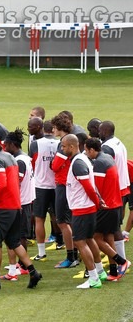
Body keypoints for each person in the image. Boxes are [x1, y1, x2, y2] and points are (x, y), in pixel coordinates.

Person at [0, 136, 42, 290]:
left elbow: (1, 183)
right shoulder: (9, 157)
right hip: (15, 207)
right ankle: (33, 272)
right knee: (13, 242)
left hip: (2, 208)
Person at [84, 138, 130, 281]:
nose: (85, 153)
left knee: (96, 238)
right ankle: (114, 272)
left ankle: (122, 262)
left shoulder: (98, 164)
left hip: (106, 206)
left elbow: (96, 189)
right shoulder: (108, 158)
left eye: (86, 150)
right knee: (108, 237)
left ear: (92, 150)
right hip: (116, 204)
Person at [61, 134, 104, 288]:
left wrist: (97, 202)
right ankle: (100, 271)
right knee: (89, 239)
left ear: (72, 146)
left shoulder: (78, 163)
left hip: (82, 208)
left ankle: (93, 278)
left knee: (79, 241)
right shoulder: (82, 159)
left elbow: (88, 187)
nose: (62, 148)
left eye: (64, 146)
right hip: (86, 207)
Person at [2, 128, 36, 280]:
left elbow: (17, 181)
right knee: (19, 234)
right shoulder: (25, 157)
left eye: (6, 145)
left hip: (21, 202)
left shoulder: (20, 161)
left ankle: (23, 266)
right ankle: (21, 264)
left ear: (12, 145)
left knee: (20, 235)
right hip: (26, 199)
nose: (4, 147)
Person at [29, 120, 60, 262]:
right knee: (59, 217)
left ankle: (41, 253)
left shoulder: (36, 144)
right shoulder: (60, 143)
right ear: (53, 130)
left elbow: (32, 163)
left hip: (41, 185)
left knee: (39, 218)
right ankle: (62, 243)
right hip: (56, 185)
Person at [51, 113, 79, 268]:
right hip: (68, 184)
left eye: (54, 127)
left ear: (59, 128)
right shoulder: (70, 141)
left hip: (63, 184)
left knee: (62, 221)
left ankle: (71, 256)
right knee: (69, 221)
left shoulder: (64, 143)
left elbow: (55, 166)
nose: (52, 130)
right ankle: (75, 253)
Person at [99, 120, 130, 261]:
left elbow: (105, 168)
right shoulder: (118, 142)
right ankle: (115, 255)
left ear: (104, 131)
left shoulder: (106, 148)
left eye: (100, 131)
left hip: (114, 191)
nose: (99, 133)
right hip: (123, 186)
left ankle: (121, 259)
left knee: (113, 228)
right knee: (114, 226)